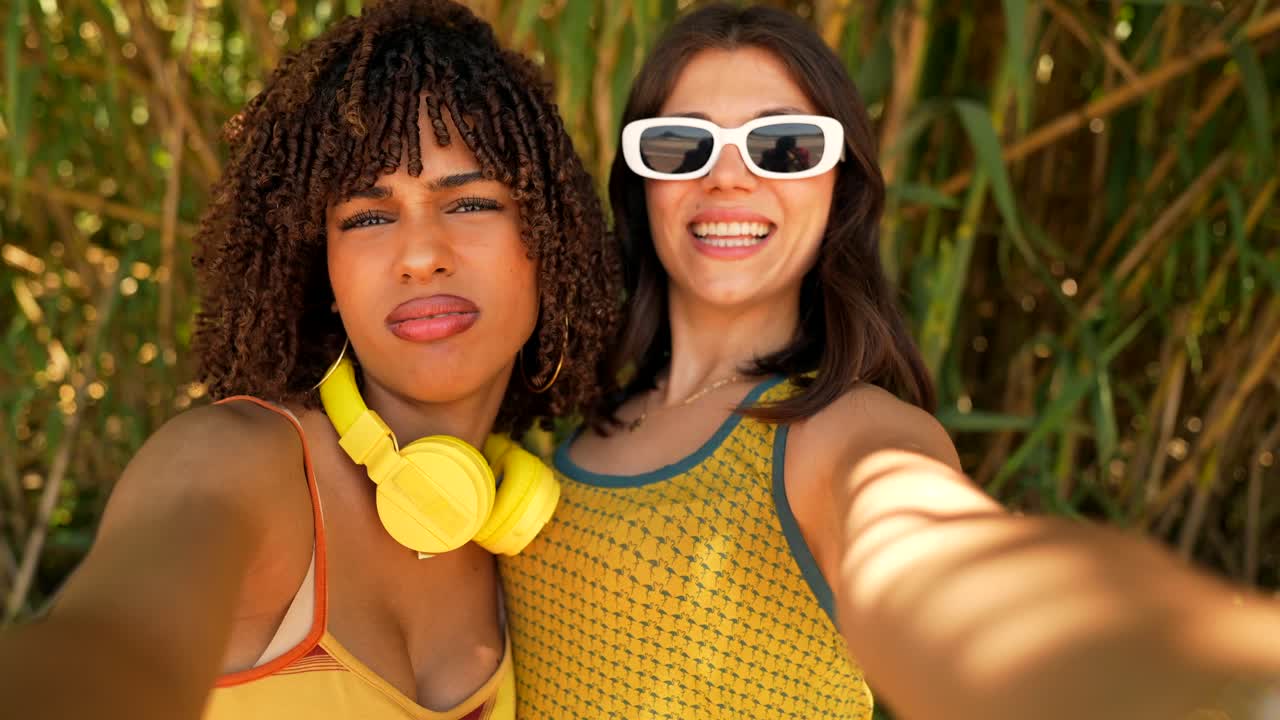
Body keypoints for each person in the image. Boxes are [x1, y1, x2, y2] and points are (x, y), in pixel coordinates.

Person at [499, 5, 1280, 720]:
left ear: (837, 185)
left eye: (784, 145)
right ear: (642, 184)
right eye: (682, 143)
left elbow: (937, 559)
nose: (728, 175)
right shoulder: (563, 420)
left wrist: (1191, 680)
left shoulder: (838, 430)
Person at [0, 2, 620, 719]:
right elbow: (97, 657)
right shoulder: (234, 463)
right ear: (318, 267)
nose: (421, 256)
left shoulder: (519, 535)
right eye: (367, 217)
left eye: (471, 203)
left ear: (551, 237)